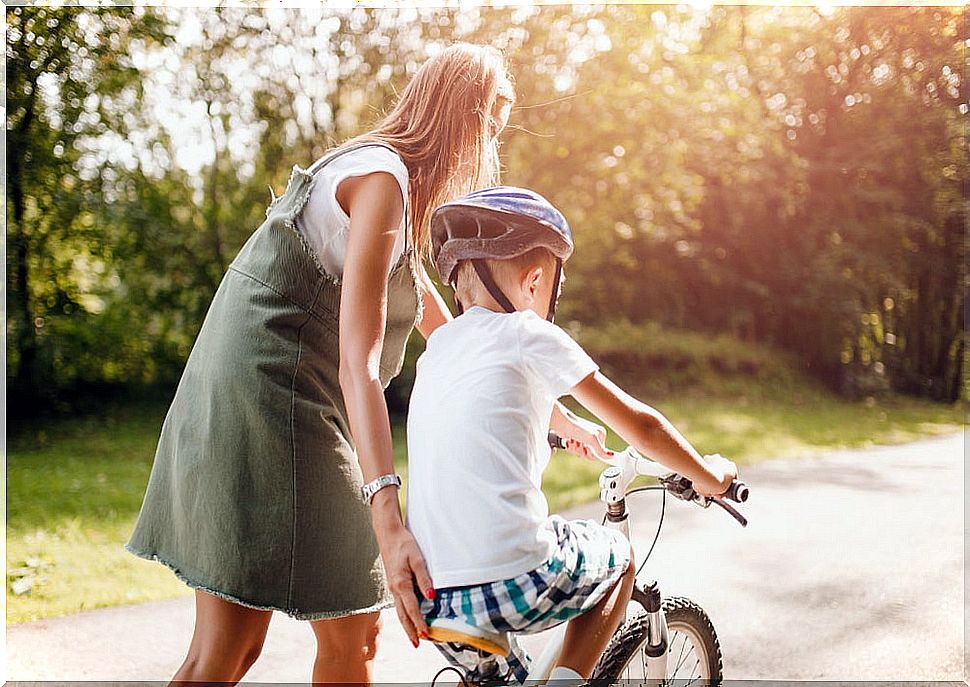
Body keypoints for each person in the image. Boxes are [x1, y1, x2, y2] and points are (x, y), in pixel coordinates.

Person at [124, 44, 611, 684]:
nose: (490, 147)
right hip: (273, 405)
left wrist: (556, 414)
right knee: (348, 634)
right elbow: (360, 361)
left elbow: (457, 334)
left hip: (235, 398)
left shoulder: (388, 193)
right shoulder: (383, 183)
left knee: (229, 649)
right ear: (462, 117)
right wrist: (389, 518)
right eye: (491, 123)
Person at [406, 186, 739, 684]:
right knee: (620, 559)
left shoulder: (439, 351)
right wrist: (708, 473)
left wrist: (563, 424)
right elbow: (642, 426)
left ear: (459, 285)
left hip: (433, 598)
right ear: (536, 280)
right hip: (511, 577)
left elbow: (496, 393)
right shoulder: (527, 332)